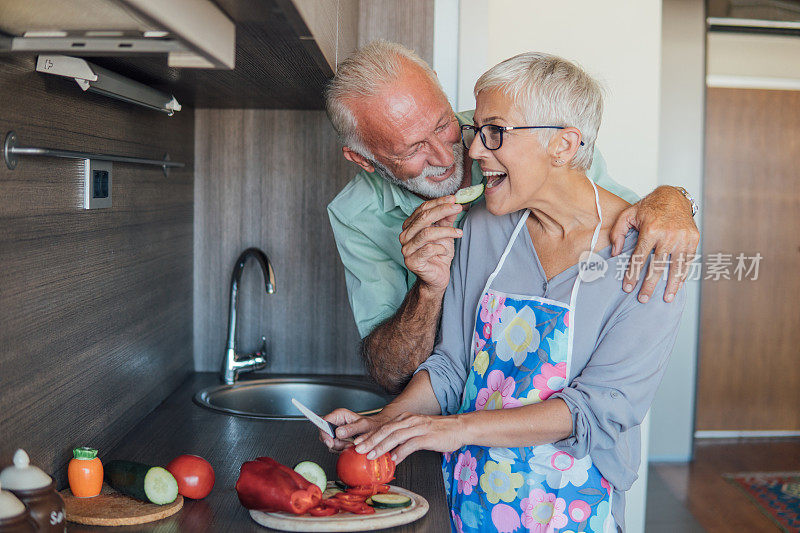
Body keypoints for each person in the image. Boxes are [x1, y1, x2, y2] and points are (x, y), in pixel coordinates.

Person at [322, 52, 686, 532]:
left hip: (572, 506)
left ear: (563, 145)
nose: (467, 153)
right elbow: (451, 364)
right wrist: (388, 421)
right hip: (467, 492)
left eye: (487, 132)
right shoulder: (481, 227)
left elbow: (600, 407)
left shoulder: (648, 255)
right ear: (365, 158)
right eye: (479, 130)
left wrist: (677, 197)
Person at [325, 40, 698, 392]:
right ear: (363, 159)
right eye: (413, 149)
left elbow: (633, 220)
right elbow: (391, 372)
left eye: (443, 124)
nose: (445, 156)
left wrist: (675, 198)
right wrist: (427, 291)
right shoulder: (356, 216)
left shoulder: (524, 134)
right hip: (435, 409)